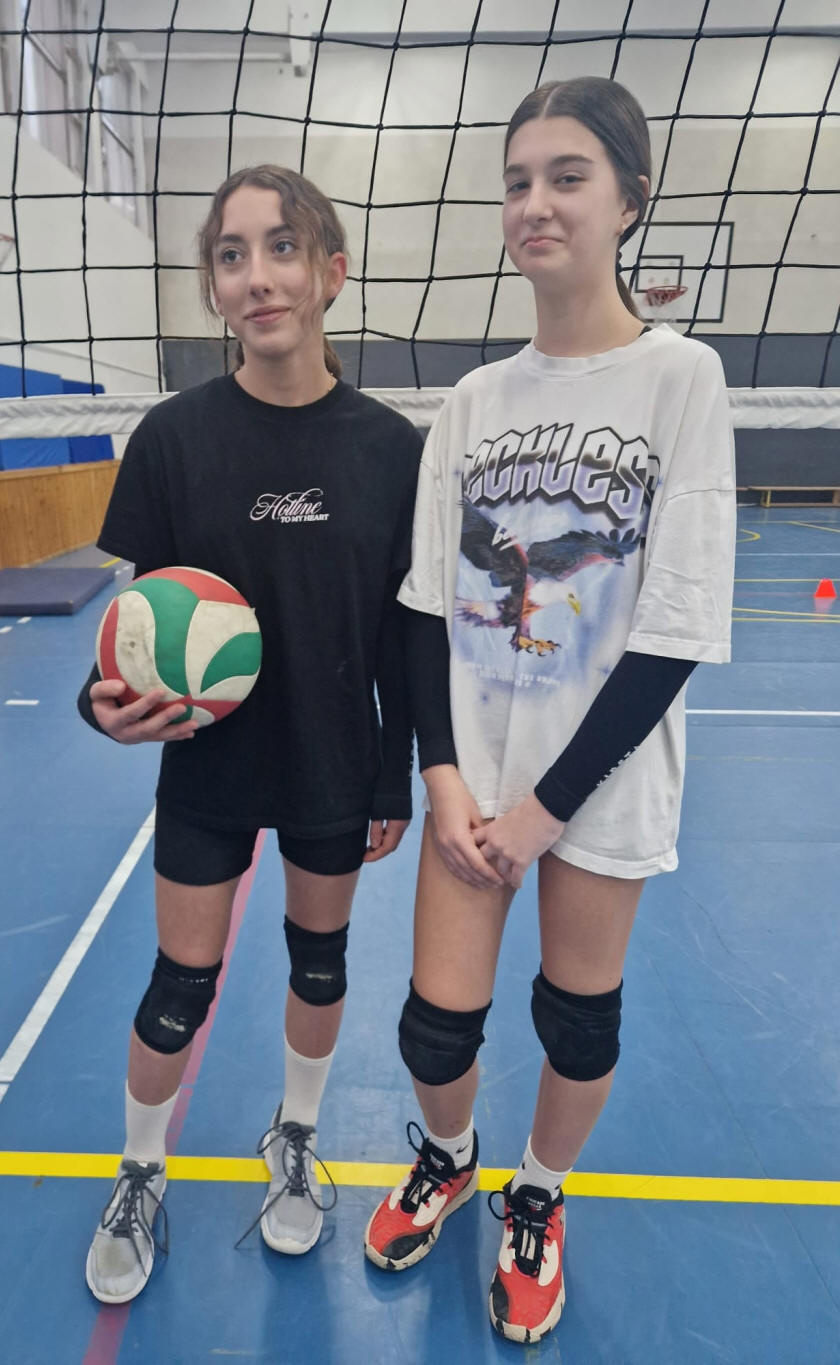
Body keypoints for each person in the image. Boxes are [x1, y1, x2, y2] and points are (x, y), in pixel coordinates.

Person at [363, 77, 736, 1344]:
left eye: (567, 177)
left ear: (630, 200)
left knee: (577, 1025)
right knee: (435, 1028)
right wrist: (445, 780)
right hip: (473, 778)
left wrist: (545, 810)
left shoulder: (681, 379)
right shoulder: (472, 402)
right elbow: (424, 608)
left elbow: (674, 629)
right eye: (517, 181)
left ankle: (537, 1193)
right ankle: (449, 1156)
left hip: (595, 783)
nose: (535, 203)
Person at [78, 165, 422, 1303]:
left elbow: (399, 636)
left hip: (333, 762)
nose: (257, 276)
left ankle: (295, 1138)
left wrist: (392, 777)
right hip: (209, 766)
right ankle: (141, 1169)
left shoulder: (389, 448)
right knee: (180, 984)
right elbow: (139, 629)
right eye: (231, 255)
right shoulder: (173, 439)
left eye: (282, 249)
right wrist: (101, 707)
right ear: (213, 285)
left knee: (319, 963)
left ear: (332, 272)